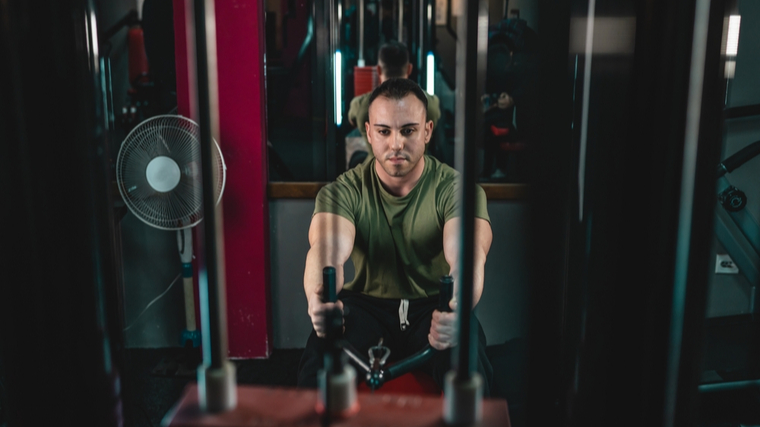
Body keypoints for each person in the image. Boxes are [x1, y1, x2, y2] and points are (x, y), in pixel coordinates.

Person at [298, 78, 494, 395]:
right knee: (318, 367)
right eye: (385, 131)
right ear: (369, 133)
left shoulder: (455, 190)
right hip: (364, 309)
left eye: (408, 130)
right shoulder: (344, 191)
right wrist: (317, 297)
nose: (396, 144)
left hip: (433, 306)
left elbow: (467, 253)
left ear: (428, 131)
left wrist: (458, 306)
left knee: (470, 367)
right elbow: (326, 248)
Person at [347, 41, 441, 165]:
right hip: (417, 174)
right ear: (409, 69)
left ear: (379, 70)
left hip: (376, 175)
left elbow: (351, 120)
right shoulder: (431, 103)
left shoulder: (361, 105)